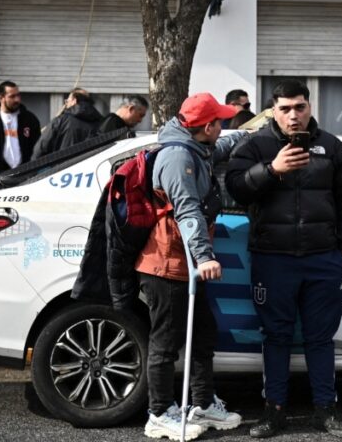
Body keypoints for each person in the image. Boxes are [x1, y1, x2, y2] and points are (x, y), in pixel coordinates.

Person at [225, 79, 342, 439]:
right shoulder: (254, 145)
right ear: (273, 110)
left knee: (321, 338)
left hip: (323, 259)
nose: (293, 115)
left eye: (299, 107)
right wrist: (272, 169)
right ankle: (274, 413)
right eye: (285, 109)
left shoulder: (331, 146)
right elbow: (235, 189)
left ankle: (326, 412)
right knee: (276, 337)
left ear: (309, 107)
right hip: (273, 259)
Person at [139, 93, 247, 440]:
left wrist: (249, 132)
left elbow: (222, 146)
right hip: (168, 264)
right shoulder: (177, 158)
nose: (224, 126)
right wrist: (204, 256)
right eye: (221, 121)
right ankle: (159, 413)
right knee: (166, 343)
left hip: (183, 265)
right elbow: (187, 211)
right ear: (208, 126)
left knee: (203, 334)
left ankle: (202, 403)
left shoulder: (197, 147)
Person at [0, 80, 41, 188]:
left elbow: (38, 148)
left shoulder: (30, 119)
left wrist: (31, 171)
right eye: (12, 96)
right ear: (1, 98)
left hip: (26, 180)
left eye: (18, 95)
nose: (17, 99)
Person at [37, 88, 102, 156]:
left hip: (63, 161)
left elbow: (42, 146)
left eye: (67, 101)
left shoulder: (62, 121)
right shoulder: (101, 122)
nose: (66, 104)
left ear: (74, 101)